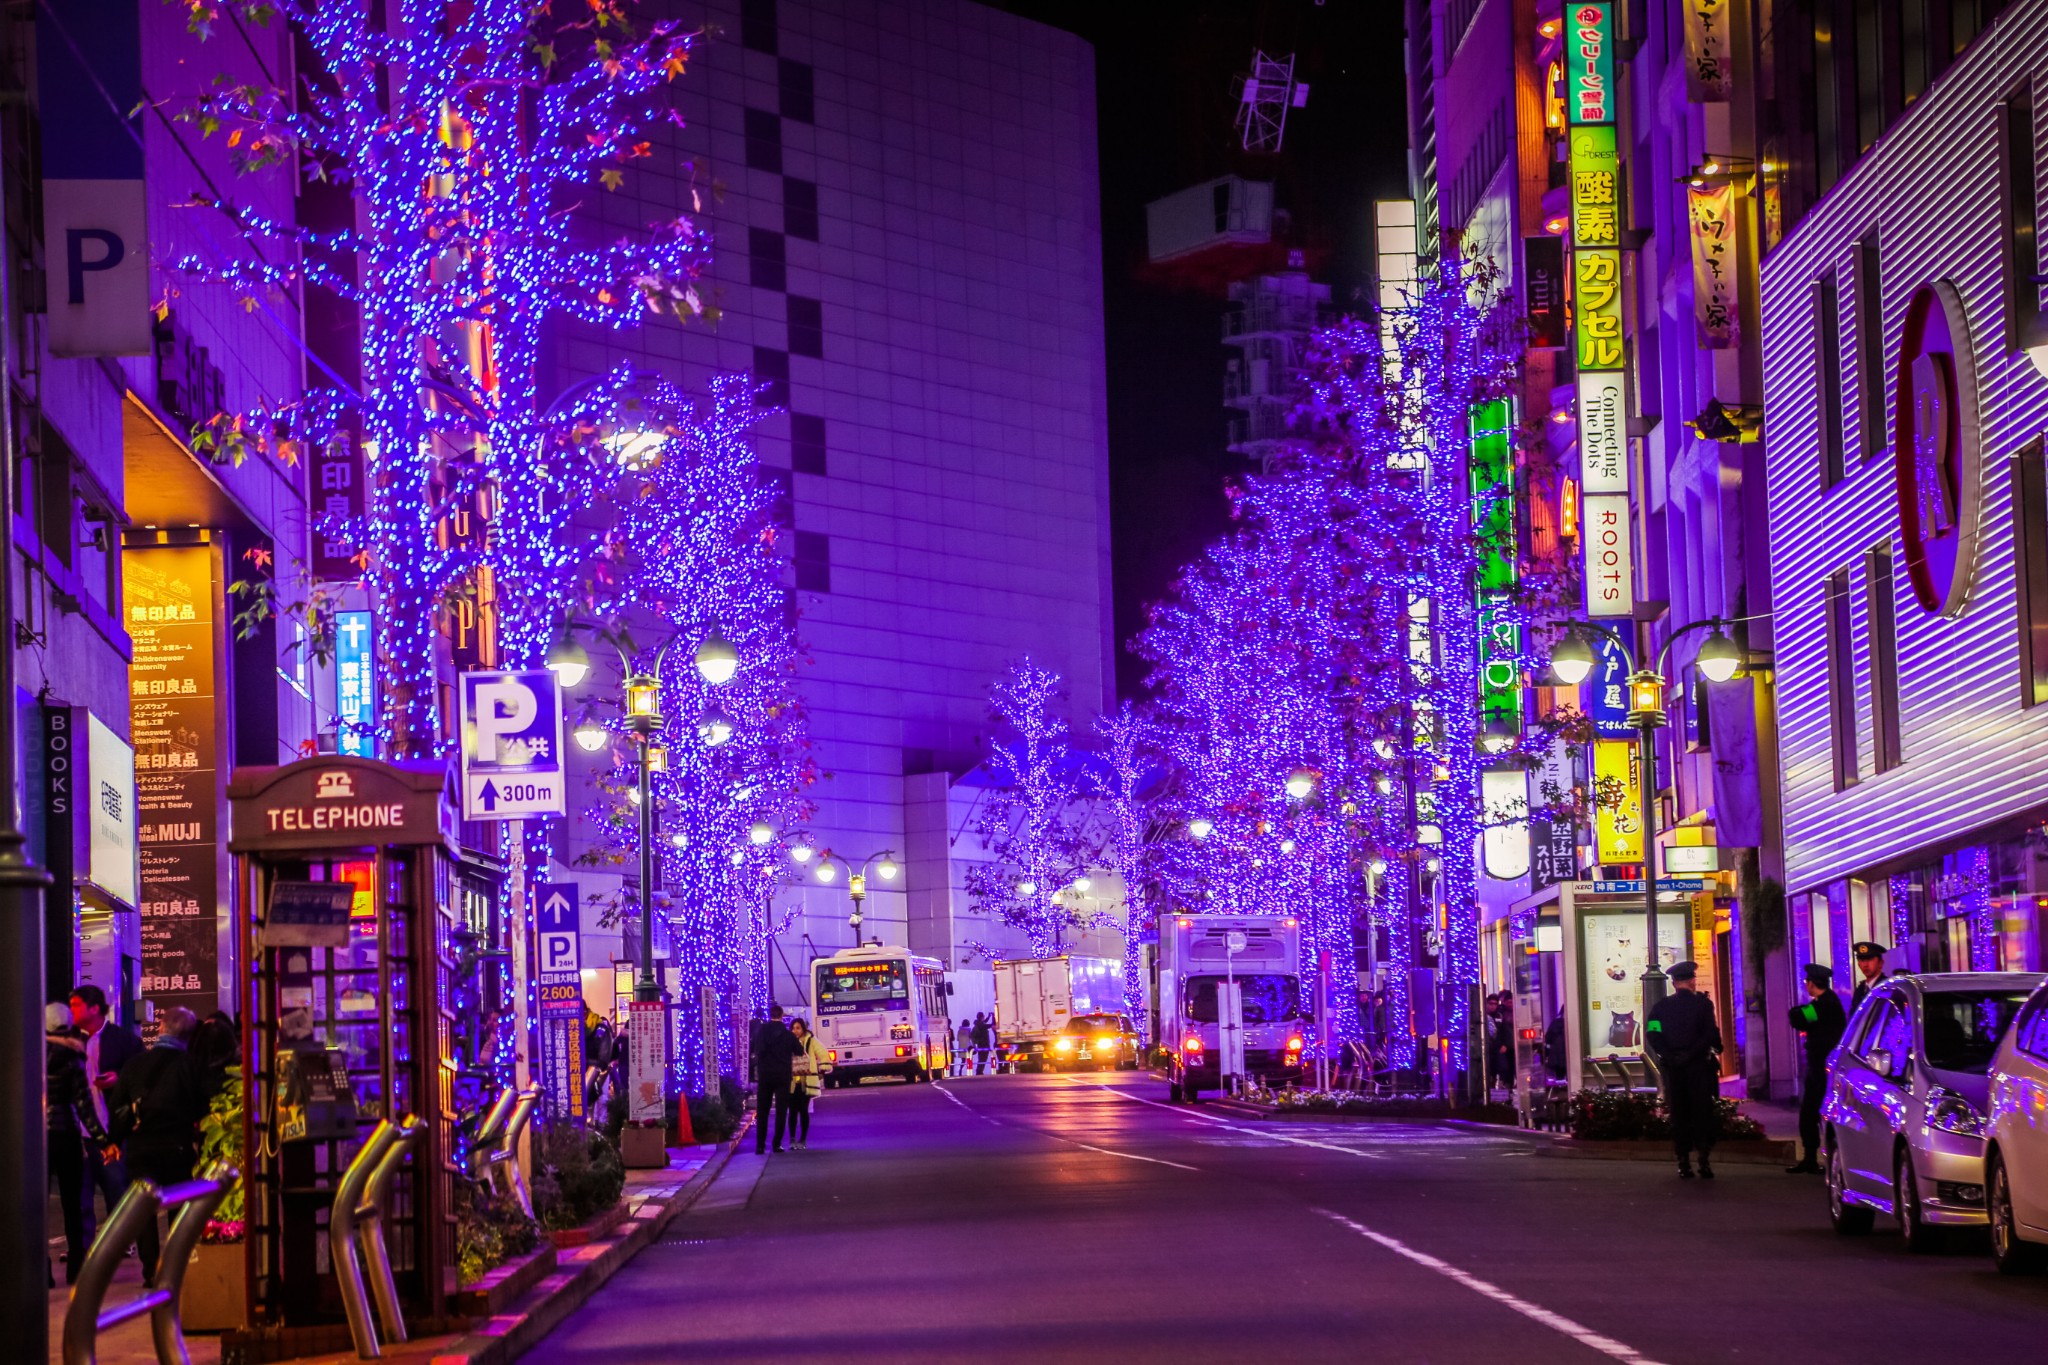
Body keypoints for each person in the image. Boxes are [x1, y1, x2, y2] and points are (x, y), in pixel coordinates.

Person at [110, 1007, 207, 1283]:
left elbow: (117, 1107)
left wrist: (115, 1140)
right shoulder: (190, 1066)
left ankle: (151, 1269)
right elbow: (201, 1105)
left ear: (161, 1028)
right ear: (189, 1035)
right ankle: (177, 1265)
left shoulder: (134, 1065)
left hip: (140, 1147)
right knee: (179, 1206)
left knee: (144, 1210)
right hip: (177, 1146)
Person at [59, 985, 143, 1279]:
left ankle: (120, 1243)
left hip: (111, 1131)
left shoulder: (122, 1040)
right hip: (78, 1133)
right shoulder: (68, 1042)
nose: (71, 1011)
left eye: (76, 1005)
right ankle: (82, 1252)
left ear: (95, 1008)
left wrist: (118, 1079)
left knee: (116, 1190)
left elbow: (140, 1076)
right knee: (79, 1197)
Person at [47, 1001, 114, 1285]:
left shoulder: (29, 1053)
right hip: (67, 1138)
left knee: (36, 1207)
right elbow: (84, 1106)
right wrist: (102, 1140)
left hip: (39, 1140)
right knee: (73, 1205)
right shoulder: (74, 1056)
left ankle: (43, 1273)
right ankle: (76, 1268)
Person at [1645, 961, 1723, 1179]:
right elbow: (1709, 1034)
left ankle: (1683, 1161)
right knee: (1701, 1112)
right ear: (1691, 981)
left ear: (1673, 983)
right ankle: (1704, 1160)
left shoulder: (1660, 1007)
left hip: (1673, 1069)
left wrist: (1669, 1055)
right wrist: (1691, 1054)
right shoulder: (1703, 1005)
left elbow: (1653, 1034)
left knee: (1679, 1113)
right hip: (1698, 1066)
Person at [1786, 962, 1847, 1174]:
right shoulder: (1827, 1003)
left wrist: (1797, 1010)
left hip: (1823, 1070)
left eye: (1806, 982)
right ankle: (1813, 1158)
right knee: (1811, 1113)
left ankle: (1815, 1158)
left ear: (1812, 984)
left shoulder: (1823, 1006)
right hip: (1821, 1068)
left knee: (1813, 1112)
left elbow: (1798, 1018)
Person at [754, 1013, 801, 1154]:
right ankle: (776, 1144)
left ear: (770, 1016)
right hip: (782, 1076)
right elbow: (799, 1051)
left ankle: (760, 1145)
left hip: (765, 1076)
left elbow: (756, 1050)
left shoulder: (761, 1033)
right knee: (781, 1111)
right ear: (781, 1016)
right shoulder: (788, 1035)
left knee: (762, 1111)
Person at [787, 1018, 833, 1149]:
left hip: (806, 1082)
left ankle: (802, 1139)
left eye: (798, 1028)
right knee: (792, 1112)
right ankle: (792, 1139)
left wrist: (824, 1066)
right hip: (792, 1082)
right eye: (793, 1028)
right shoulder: (787, 1041)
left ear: (803, 1029)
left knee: (803, 1110)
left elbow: (822, 1052)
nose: (795, 1031)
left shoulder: (811, 1040)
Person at [1850, 942, 1890, 1011]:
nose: (1865, 965)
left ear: (1880, 963)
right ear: (1858, 964)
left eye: (1870, 959)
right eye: (1862, 960)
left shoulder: (1887, 987)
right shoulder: (1860, 989)